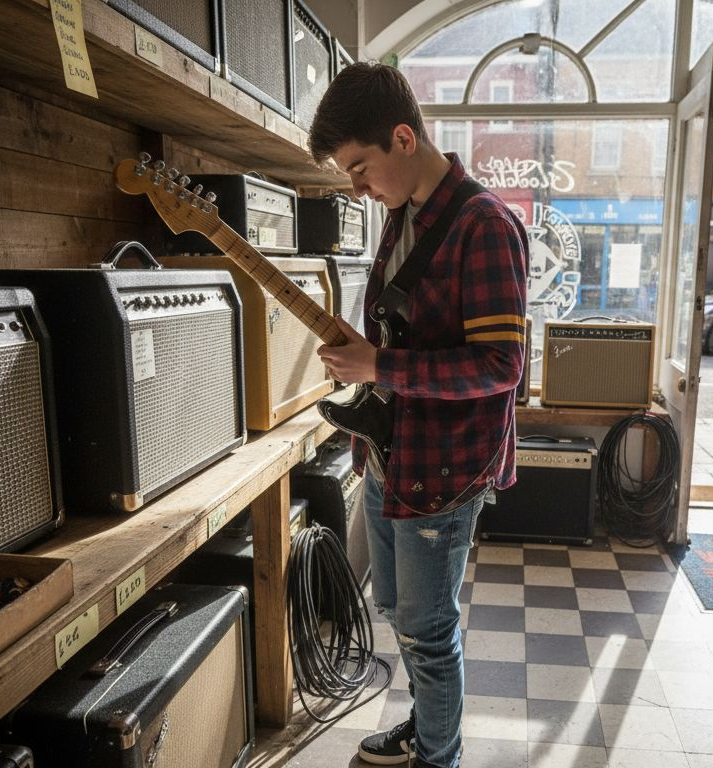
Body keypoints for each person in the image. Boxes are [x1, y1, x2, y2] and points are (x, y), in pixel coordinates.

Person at [309, 62, 528, 768]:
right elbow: (404, 335)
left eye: (360, 167)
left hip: (445, 470)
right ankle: (425, 725)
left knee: (429, 633)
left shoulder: (485, 225)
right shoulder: (404, 216)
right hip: (388, 457)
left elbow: (502, 368)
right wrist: (365, 357)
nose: (357, 188)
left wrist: (380, 367)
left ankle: (440, 757)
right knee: (403, 618)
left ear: (403, 138)